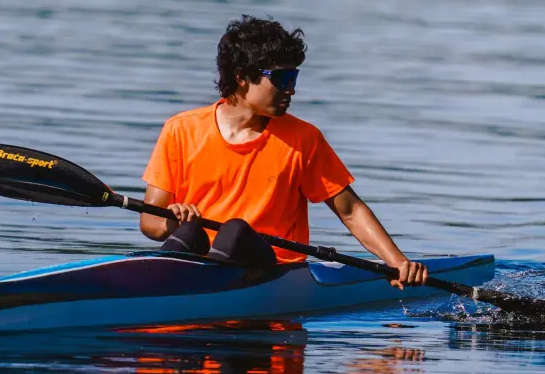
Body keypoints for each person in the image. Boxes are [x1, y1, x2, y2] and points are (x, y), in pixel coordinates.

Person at [140, 15, 427, 289]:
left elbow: (350, 210)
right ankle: (164, 291)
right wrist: (171, 221)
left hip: (271, 271)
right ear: (242, 76)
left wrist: (398, 262)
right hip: (195, 261)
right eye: (283, 79)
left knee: (235, 230)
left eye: (294, 78)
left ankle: (188, 295)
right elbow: (149, 222)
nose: (291, 90)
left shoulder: (303, 139)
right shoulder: (180, 129)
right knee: (190, 232)